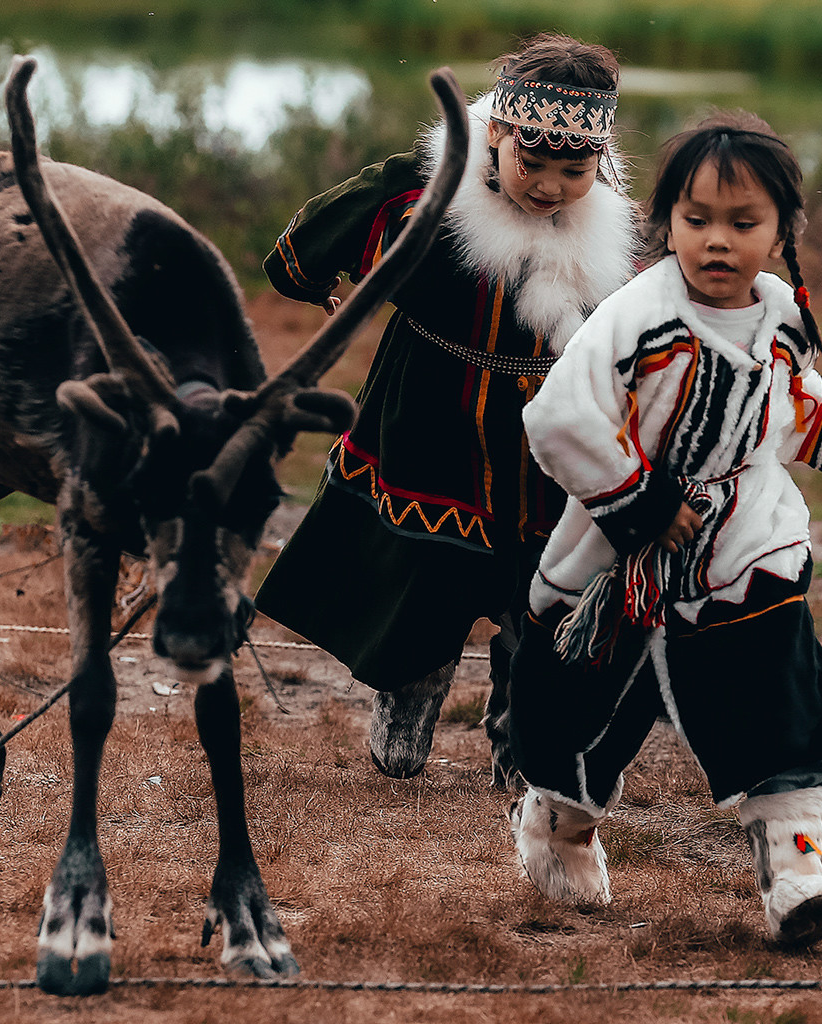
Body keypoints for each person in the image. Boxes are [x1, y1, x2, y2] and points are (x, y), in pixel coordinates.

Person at [505, 110, 822, 946]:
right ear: (668, 224)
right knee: (590, 719)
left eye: (742, 222)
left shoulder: (781, 318)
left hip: (745, 545)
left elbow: (788, 409)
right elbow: (558, 417)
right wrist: (641, 500)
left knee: (775, 700)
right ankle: (558, 823)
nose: (717, 240)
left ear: (782, 232)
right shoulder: (635, 318)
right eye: (696, 220)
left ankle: (798, 877)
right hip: (623, 558)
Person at [255, 34, 641, 785]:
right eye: (532, 164)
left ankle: (523, 733)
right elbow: (314, 236)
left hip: (549, 429)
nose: (550, 186)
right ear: (495, 134)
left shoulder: (615, 231)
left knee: (544, 582)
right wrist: (311, 279)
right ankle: (411, 688)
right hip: (432, 413)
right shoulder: (428, 193)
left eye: (574, 172)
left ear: (599, 161)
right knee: (424, 573)